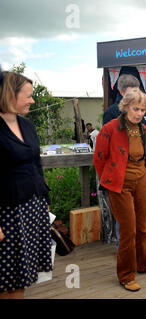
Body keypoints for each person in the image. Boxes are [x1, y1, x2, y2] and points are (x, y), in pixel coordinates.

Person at [93, 88, 146, 292]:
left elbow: (144, 155)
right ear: (125, 107)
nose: (139, 113)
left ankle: (143, 264)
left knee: (143, 227)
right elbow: (99, 159)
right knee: (127, 230)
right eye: (135, 108)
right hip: (119, 185)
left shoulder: (143, 129)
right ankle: (125, 275)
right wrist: (110, 179)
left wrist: (144, 177)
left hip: (141, 181)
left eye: (143, 109)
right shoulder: (109, 128)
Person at [0, 71, 53, 299]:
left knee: (21, 275)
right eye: (28, 96)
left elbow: (36, 165)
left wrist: (46, 202)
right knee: (4, 278)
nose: (32, 101)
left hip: (32, 207)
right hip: (7, 212)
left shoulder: (28, 126)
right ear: (9, 95)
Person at [103, 74, 146, 247]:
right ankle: (125, 246)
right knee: (125, 211)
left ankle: (140, 242)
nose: (135, 97)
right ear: (121, 93)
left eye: (137, 91)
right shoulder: (113, 112)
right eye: (130, 94)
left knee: (141, 207)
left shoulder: (144, 112)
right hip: (124, 170)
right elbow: (107, 147)